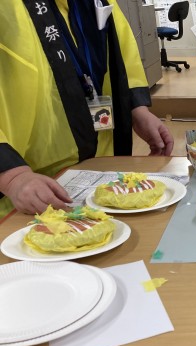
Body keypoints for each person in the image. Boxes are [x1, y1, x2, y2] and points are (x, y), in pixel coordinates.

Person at [0, 0, 174, 218]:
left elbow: (122, 50)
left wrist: (137, 109)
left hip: (98, 171)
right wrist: (11, 176)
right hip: (26, 189)